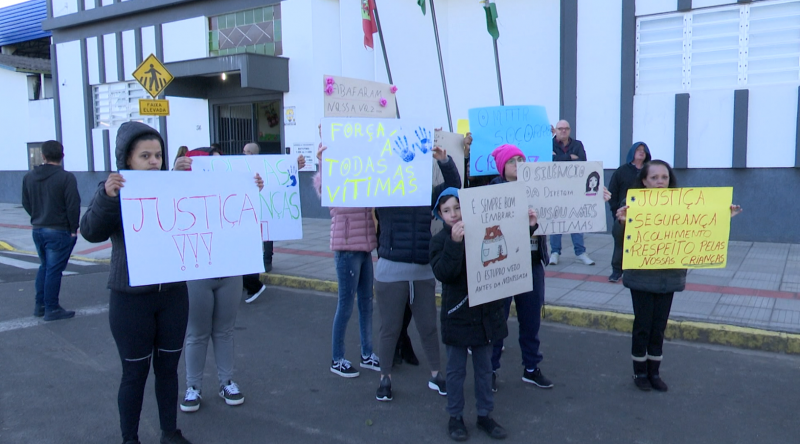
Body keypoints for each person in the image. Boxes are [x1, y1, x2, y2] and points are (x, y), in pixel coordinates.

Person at [80, 122, 193, 444]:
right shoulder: (115, 190)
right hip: (130, 298)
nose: (154, 161)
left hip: (173, 294)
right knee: (134, 373)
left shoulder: (173, 185)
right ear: (127, 160)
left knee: (169, 370)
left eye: (157, 155)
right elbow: (90, 231)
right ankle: (129, 438)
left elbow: (213, 206)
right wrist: (106, 197)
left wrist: (247, 185)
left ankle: (169, 432)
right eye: (145, 155)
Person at [615, 160, 742, 391]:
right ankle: (639, 373)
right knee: (643, 326)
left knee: (659, 327)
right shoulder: (632, 204)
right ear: (644, 181)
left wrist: (724, 216)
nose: (660, 182)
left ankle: (654, 372)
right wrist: (622, 222)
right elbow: (621, 238)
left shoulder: (682, 203)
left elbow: (703, 224)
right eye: (654, 178)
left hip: (669, 277)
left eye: (664, 177)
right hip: (642, 277)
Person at [374, 145, 461, 402]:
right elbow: (345, 188)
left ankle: (436, 374)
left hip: (423, 271)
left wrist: (445, 161)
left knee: (427, 327)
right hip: (390, 271)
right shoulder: (384, 193)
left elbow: (453, 189)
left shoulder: (427, 195)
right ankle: (384, 378)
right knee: (389, 329)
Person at [179, 147, 263, 413]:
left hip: (229, 269)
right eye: (213, 164)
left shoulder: (230, 193)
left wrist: (254, 188)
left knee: (225, 330)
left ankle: (226, 381)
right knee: (197, 332)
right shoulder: (184, 193)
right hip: (197, 271)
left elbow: (246, 211)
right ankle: (193, 387)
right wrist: (173, 177)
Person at [430, 187, 511, 441]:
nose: (453, 215)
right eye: (446, 211)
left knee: (484, 368)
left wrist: (529, 227)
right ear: (440, 215)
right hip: (458, 314)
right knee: (455, 370)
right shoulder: (439, 241)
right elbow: (444, 273)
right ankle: (455, 416)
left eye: (457, 208)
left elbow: (506, 250)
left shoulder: (482, 229)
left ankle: (485, 414)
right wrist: (454, 244)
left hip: (485, 313)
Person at [488, 144, 553, 391]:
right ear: (502, 167)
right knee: (497, 319)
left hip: (532, 261)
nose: (518, 163)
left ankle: (531, 367)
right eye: (512, 160)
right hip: (503, 264)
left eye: (521, 159)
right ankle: (490, 368)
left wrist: (589, 197)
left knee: (531, 319)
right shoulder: (490, 192)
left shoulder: (538, 188)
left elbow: (564, 202)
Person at [314, 144, 380, 378]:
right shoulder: (335, 173)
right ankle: (337, 358)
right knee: (346, 304)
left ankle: (367, 353)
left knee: (366, 301)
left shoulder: (366, 172)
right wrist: (322, 161)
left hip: (365, 245)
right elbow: (323, 188)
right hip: (346, 247)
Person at [240, 142, 307, 302]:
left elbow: (279, 176)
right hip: (247, 215)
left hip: (263, 211)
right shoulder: (240, 167)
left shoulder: (263, 166)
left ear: (254, 154)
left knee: (264, 236)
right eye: (243, 151)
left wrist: (293, 166)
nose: (244, 154)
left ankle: (264, 264)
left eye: (247, 152)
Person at [22, 140, 80, 321]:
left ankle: (40, 305)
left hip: (38, 228)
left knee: (45, 267)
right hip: (59, 229)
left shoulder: (29, 177)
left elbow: (26, 202)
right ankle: (52, 308)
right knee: (54, 270)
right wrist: (73, 229)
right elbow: (73, 205)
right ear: (62, 156)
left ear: (43, 156)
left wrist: (37, 216)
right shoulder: (66, 177)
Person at [549, 120, 594, 266]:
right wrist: (569, 157)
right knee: (556, 220)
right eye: (560, 128)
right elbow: (549, 162)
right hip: (554, 188)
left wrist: (559, 158)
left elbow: (583, 162)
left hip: (574, 188)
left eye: (566, 128)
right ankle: (555, 252)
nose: (564, 131)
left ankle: (580, 252)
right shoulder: (549, 144)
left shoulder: (577, 145)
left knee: (576, 219)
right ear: (555, 130)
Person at [607, 142, 651, 283]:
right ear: (632, 152)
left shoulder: (650, 171)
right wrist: (616, 211)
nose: (641, 152)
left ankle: (636, 270)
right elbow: (612, 191)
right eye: (638, 150)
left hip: (645, 216)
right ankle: (616, 271)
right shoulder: (622, 171)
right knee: (620, 243)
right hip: (623, 215)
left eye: (644, 150)